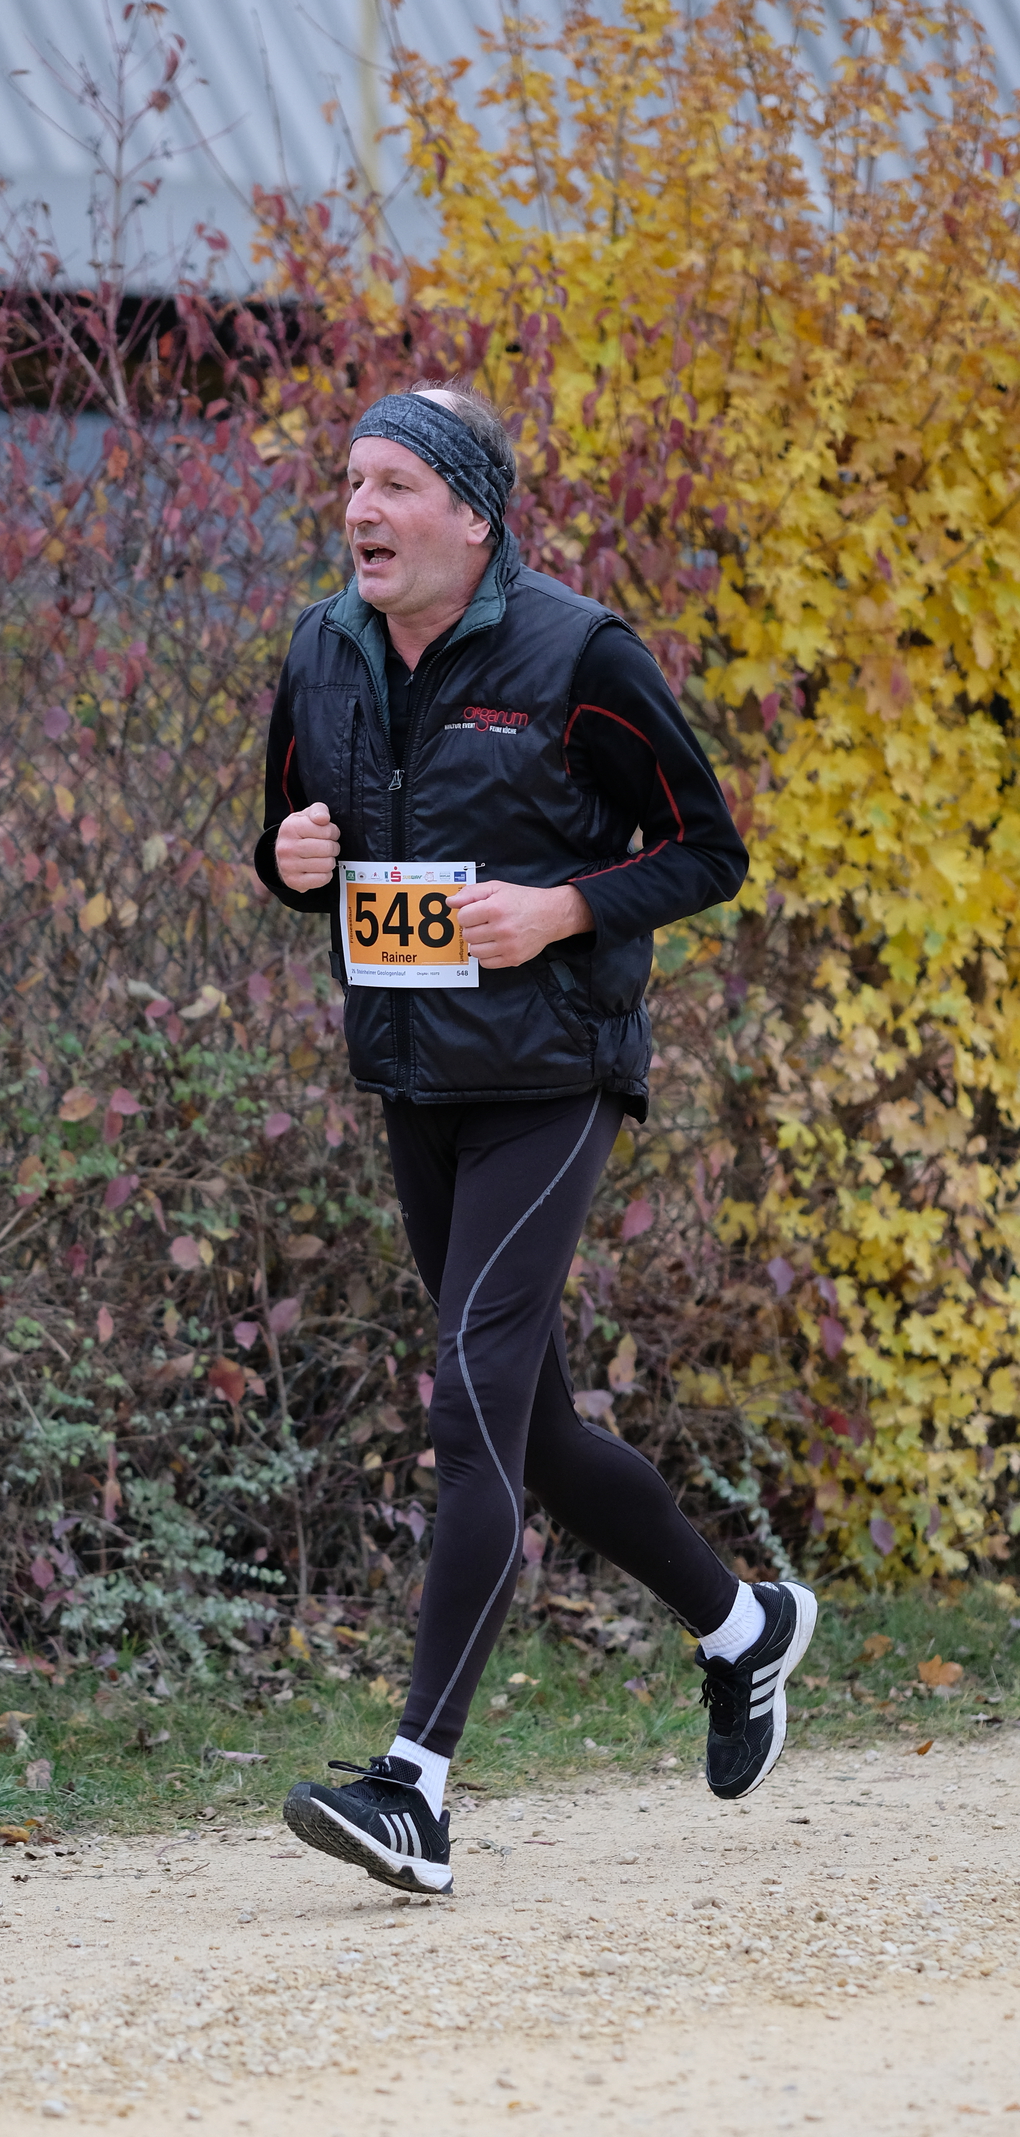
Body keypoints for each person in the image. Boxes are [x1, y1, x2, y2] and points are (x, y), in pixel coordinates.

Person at [256, 380, 815, 1898]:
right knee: (537, 1431)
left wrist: (565, 908)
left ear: (472, 514)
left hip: (556, 1072)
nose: (359, 511)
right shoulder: (321, 650)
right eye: (351, 483)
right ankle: (744, 1626)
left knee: (469, 1405)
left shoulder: (579, 654)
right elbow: (296, 844)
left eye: (392, 484)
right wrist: (289, 859)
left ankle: (415, 1787)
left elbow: (708, 850)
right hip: (415, 1075)